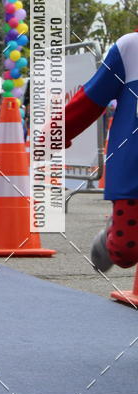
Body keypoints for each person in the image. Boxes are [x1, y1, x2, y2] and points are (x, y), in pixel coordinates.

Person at [65, 29, 138, 272]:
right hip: (132, 166)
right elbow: (92, 99)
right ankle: (110, 235)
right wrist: (55, 132)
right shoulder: (130, 47)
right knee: (125, 250)